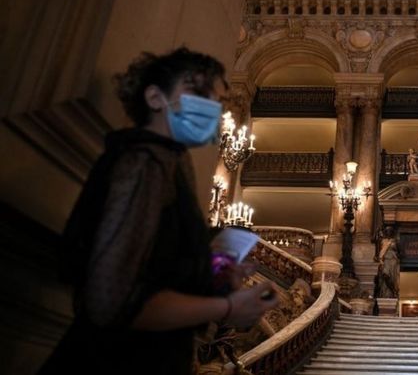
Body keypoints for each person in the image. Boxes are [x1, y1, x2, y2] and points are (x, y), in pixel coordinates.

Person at [39, 48, 278, 375]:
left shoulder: (173, 162)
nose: (210, 107)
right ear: (154, 97)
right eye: (197, 92)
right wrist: (226, 308)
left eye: (217, 101)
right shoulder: (143, 164)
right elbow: (110, 302)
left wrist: (213, 275)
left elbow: (158, 268)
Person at [375, 224, 399, 298]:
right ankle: (392, 291)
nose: (389, 232)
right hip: (385, 260)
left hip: (393, 261)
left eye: (390, 231)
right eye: (387, 231)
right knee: (385, 275)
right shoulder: (383, 240)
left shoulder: (395, 241)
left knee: (391, 277)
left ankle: (393, 291)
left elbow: (399, 252)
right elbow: (378, 248)